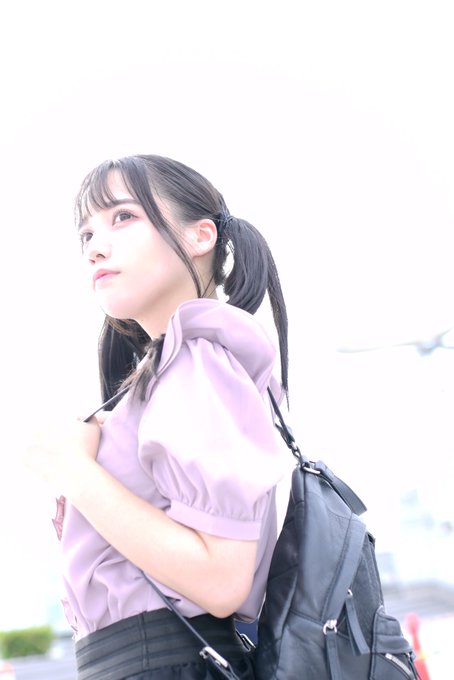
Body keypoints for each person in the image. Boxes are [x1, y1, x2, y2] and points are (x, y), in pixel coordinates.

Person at [25, 154, 290, 680]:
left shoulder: (200, 363)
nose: (95, 247)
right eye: (86, 234)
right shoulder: (173, 375)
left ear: (200, 236)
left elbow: (221, 580)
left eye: (123, 217)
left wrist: (74, 471)